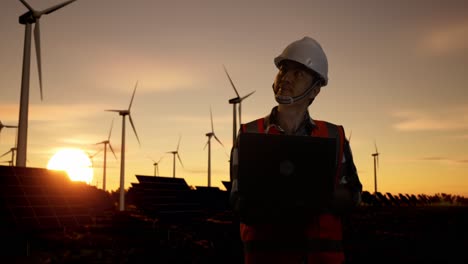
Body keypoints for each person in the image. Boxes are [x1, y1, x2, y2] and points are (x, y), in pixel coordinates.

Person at [229, 36, 362, 264]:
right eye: (283, 70)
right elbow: (237, 199)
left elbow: (354, 195)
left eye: (298, 73)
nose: (286, 78)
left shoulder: (334, 136)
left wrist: (315, 194)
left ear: (315, 89)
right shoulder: (249, 133)